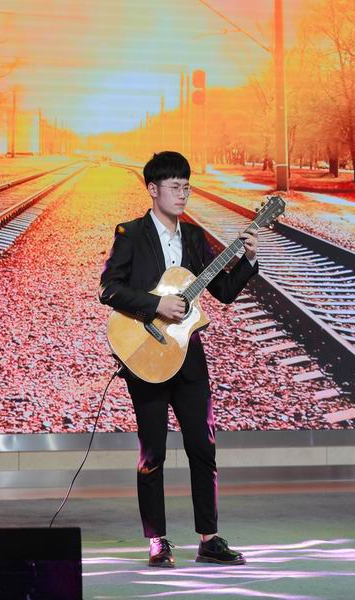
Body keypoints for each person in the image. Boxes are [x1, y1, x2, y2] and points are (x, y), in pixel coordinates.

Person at [99, 151, 259, 567]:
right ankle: (157, 540)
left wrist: (248, 260)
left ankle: (210, 539)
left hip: (189, 358)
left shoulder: (194, 237)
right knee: (152, 452)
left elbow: (223, 291)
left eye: (187, 186)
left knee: (203, 447)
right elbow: (109, 289)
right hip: (146, 355)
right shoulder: (130, 233)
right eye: (175, 187)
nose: (183, 194)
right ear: (153, 190)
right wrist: (156, 305)